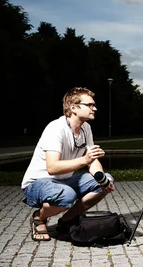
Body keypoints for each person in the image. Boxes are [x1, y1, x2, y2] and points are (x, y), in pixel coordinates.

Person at [21, 87, 114, 241]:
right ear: (74, 108)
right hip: (38, 183)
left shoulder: (86, 128)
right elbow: (52, 168)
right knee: (67, 196)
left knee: (106, 180)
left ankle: (65, 222)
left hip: (62, 181)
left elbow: (92, 160)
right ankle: (39, 217)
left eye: (94, 105)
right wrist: (85, 160)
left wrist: (102, 180)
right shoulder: (56, 128)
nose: (94, 108)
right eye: (89, 105)